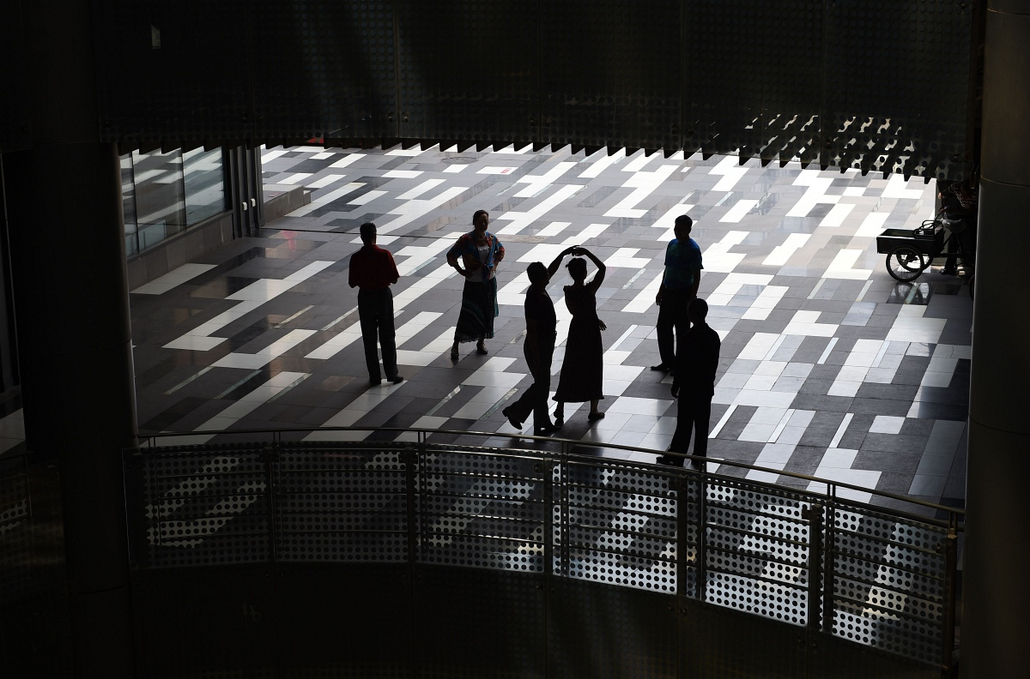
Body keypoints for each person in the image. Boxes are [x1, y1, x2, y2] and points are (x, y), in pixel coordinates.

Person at [502, 247, 578, 436]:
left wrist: (562, 254)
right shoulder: (534, 298)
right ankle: (517, 411)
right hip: (538, 346)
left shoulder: (538, 288)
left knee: (542, 384)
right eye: (545, 274)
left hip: (545, 344)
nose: (548, 275)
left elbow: (551, 269)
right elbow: (532, 330)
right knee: (542, 384)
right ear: (539, 278)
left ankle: (540, 421)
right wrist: (536, 356)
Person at [658, 298, 720, 468]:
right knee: (701, 425)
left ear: (691, 315)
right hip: (704, 388)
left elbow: (681, 364)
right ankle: (699, 456)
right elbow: (712, 364)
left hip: (689, 388)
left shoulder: (688, 337)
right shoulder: (713, 337)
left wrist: (676, 384)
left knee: (684, 424)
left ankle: (677, 455)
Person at [553, 247, 607, 426]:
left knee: (571, 365)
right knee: (593, 366)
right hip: (590, 330)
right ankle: (593, 409)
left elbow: (576, 311)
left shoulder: (568, 291)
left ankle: (560, 407)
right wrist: (588, 253)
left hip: (576, 329)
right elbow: (602, 268)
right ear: (585, 272)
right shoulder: (589, 289)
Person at [348, 222, 403, 385]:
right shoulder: (385, 255)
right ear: (375, 235)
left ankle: (374, 376)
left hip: (365, 297)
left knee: (369, 337)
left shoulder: (356, 258)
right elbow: (394, 278)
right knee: (387, 335)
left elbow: (352, 283)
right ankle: (392, 373)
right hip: (382, 296)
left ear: (361, 237)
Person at [447, 210, 505, 360]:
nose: (484, 224)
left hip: (489, 282)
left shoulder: (491, 238)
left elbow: (501, 250)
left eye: (486, 221)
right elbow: (451, 256)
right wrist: (461, 271)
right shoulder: (466, 240)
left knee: (487, 312)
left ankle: (481, 341)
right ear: (474, 222)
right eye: (480, 221)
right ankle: (456, 344)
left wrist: (495, 265)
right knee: (468, 314)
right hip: (473, 283)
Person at [651, 214, 702, 373]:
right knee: (663, 327)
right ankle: (667, 361)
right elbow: (667, 269)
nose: (677, 232)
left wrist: (692, 297)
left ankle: (680, 364)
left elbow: (696, 274)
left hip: (683, 293)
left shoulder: (693, 249)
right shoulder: (671, 244)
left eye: (681, 229)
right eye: (676, 228)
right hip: (668, 292)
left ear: (688, 230)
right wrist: (661, 290)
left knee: (682, 330)